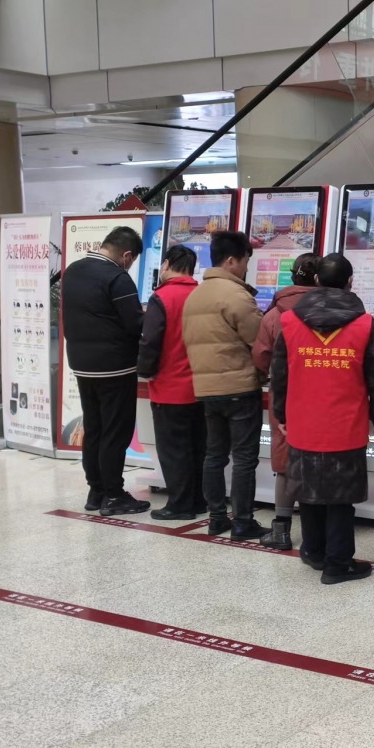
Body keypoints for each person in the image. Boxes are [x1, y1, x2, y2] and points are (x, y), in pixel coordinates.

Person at [270, 254, 374, 584]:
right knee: (341, 496)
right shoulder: (363, 324)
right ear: (350, 282)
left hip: (303, 422)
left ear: (317, 282)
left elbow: (279, 373)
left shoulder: (290, 321)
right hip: (345, 423)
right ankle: (338, 563)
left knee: (308, 489)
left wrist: (280, 413)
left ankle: (313, 551)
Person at [182, 231, 266, 541]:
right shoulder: (236, 296)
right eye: (245, 261)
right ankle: (243, 522)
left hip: (206, 389)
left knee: (214, 455)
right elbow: (258, 343)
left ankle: (217, 518)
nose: (246, 268)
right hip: (239, 387)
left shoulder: (196, 295)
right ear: (231, 260)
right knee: (244, 457)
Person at [62, 226, 150, 516]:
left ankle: (96, 491)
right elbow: (135, 324)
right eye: (132, 259)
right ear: (126, 254)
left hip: (82, 365)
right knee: (115, 430)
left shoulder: (73, 270)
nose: (130, 265)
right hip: (115, 366)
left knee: (95, 428)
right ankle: (114, 494)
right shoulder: (117, 277)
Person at [252, 253, 318, 549]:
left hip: (285, 394)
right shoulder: (331, 308)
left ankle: (281, 530)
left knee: (285, 459)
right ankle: (317, 533)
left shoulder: (275, 313)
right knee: (321, 457)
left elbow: (261, 355)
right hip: (322, 392)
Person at [137, 245, 206, 521]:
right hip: (201, 386)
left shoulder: (161, 298)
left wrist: (145, 370)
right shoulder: (202, 295)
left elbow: (150, 339)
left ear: (166, 264)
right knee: (197, 447)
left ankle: (179, 504)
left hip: (170, 387)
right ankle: (198, 500)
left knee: (173, 449)